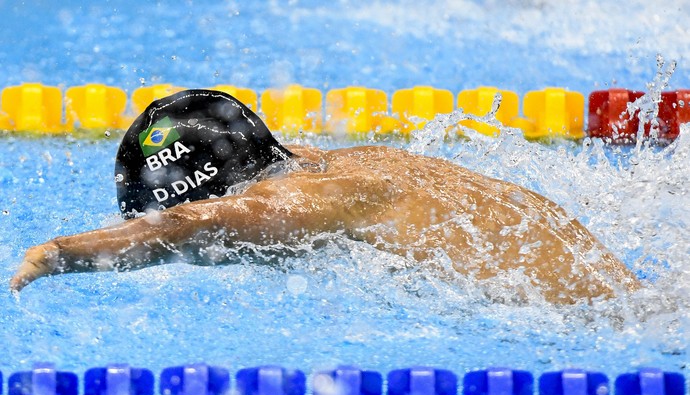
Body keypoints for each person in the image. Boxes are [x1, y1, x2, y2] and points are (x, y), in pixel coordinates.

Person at [9, 89, 639, 304]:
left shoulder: (295, 203)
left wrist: (54, 254)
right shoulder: (347, 165)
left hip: (597, 325)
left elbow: (182, 227)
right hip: (618, 290)